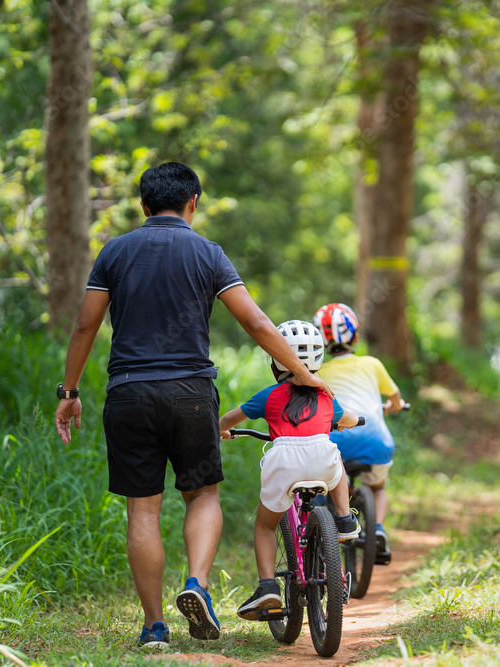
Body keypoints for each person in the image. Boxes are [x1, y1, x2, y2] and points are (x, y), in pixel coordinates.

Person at [54, 162, 332, 649]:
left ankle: (153, 628)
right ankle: (196, 584)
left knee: (142, 511)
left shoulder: (114, 253)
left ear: (143, 206)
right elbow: (258, 323)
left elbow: (84, 327)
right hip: (191, 395)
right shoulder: (208, 253)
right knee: (202, 495)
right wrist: (303, 373)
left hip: (129, 394)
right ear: (193, 204)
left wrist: (69, 393)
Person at [217, 319, 360, 619]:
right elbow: (346, 418)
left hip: (283, 460)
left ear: (276, 363)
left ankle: (268, 586)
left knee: (266, 525)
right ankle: (345, 519)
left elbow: (229, 419)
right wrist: (355, 420)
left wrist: (221, 431)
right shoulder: (325, 396)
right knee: (338, 469)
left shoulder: (268, 396)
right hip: (323, 456)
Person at [312, 302, 405, 561]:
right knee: (377, 487)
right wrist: (393, 406)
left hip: (335, 443)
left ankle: (319, 530)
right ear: (356, 335)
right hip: (375, 442)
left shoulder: (319, 372)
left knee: (324, 484)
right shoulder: (372, 364)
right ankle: (376, 529)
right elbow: (395, 397)